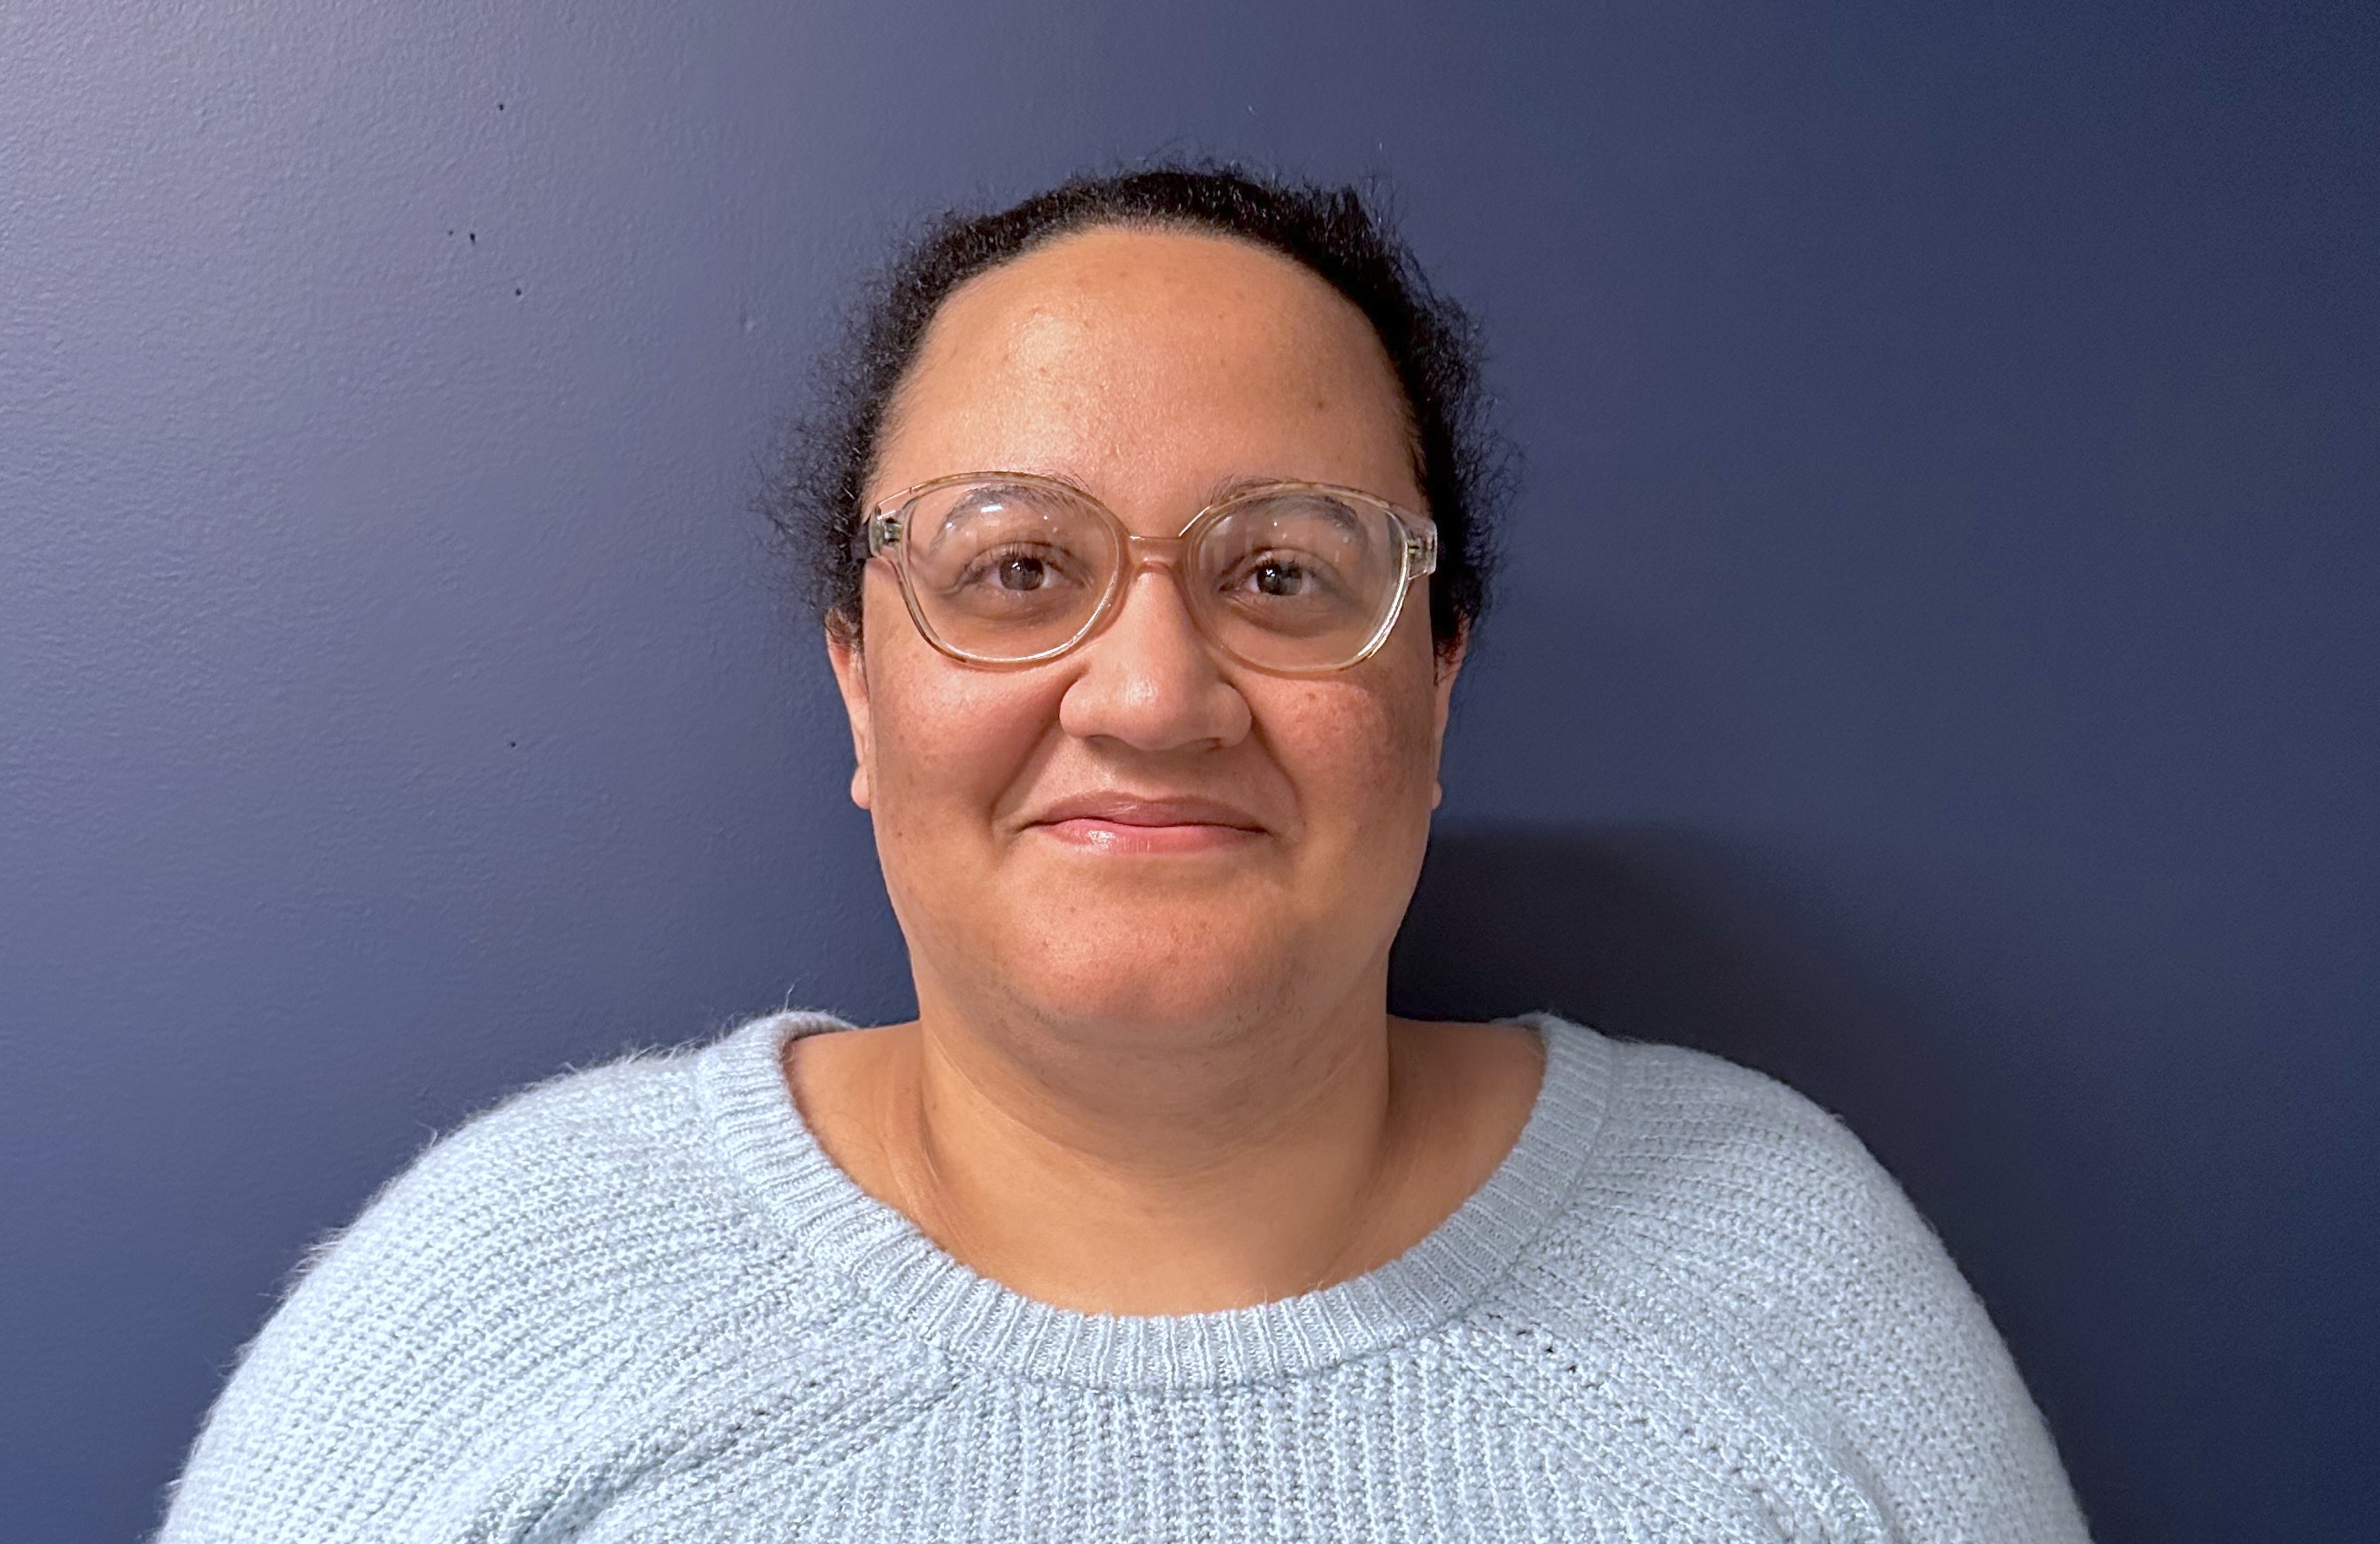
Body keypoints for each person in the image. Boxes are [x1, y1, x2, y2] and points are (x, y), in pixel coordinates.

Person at [157, 166, 2091, 1541]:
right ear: (858, 685)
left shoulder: (1773, 1264)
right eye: (1015, 568)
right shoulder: (503, 1296)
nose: (1155, 690)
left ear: (1436, 683)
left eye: (1281, 572)